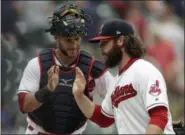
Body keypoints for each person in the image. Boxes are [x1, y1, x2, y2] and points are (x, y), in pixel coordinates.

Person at [17, 4, 115, 134]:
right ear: (56, 37)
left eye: (77, 39)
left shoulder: (92, 67)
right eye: (68, 40)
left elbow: (115, 106)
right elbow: (24, 105)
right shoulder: (38, 64)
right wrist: (47, 90)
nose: (74, 45)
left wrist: (80, 97)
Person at [72, 19, 176, 134]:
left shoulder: (145, 70)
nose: (101, 50)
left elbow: (159, 115)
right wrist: (79, 95)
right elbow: (103, 118)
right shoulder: (116, 81)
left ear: (120, 40)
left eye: (105, 43)